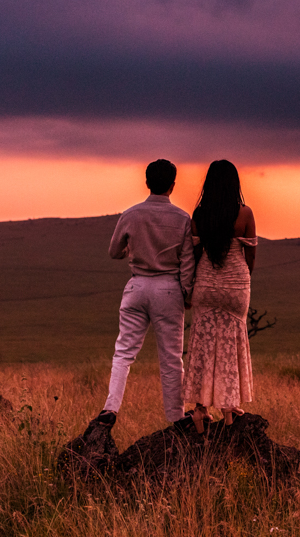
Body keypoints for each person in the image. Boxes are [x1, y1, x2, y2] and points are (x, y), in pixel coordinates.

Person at [95, 159, 196, 429]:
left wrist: (135, 251)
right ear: (173, 185)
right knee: (172, 358)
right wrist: (187, 295)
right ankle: (177, 416)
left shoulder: (131, 214)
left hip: (137, 286)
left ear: (147, 183)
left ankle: (110, 408)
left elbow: (114, 252)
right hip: (168, 289)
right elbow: (187, 263)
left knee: (124, 352)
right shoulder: (182, 218)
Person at [182, 159, 257, 433]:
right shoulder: (245, 213)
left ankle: (201, 410)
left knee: (203, 342)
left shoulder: (200, 214)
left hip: (206, 283)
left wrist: (193, 286)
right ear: (234, 183)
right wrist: (243, 278)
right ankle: (229, 408)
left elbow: (194, 254)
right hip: (236, 284)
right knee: (231, 341)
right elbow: (251, 254)